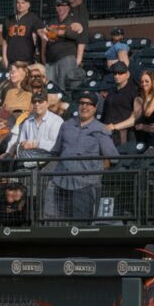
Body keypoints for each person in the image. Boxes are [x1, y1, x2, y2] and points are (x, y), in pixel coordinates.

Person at [44, 92, 118, 220]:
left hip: (85, 184)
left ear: (95, 108)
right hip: (60, 181)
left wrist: (97, 169)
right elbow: (56, 151)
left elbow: (113, 158)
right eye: (82, 103)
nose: (84, 107)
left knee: (81, 225)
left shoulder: (100, 129)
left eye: (89, 104)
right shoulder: (66, 125)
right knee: (54, 222)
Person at [40, 0, 87, 92]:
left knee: (65, 88)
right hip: (51, 60)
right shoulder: (51, 22)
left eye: (64, 5)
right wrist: (43, 56)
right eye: (58, 5)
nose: (61, 7)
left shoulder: (74, 21)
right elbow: (44, 40)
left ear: (69, 7)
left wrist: (78, 60)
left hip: (67, 58)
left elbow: (80, 40)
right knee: (50, 89)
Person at [6, 91, 64, 163]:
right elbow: (21, 142)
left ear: (47, 104)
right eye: (34, 102)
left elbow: (56, 146)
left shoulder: (56, 121)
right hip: (28, 159)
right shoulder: (27, 122)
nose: (37, 104)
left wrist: (36, 144)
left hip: (49, 160)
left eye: (40, 101)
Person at [101, 62, 139, 145]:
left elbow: (135, 118)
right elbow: (104, 115)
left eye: (120, 73)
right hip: (106, 133)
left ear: (127, 74)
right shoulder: (110, 92)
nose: (117, 76)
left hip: (124, 135)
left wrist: (115, 127)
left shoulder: (134, 92)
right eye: (115, 73)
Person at [2, 0, 43, 68]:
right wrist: (5, 58)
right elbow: (5, 41)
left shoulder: (34, 18)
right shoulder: (8, 19)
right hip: (11, 62)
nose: (20, 5)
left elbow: (42, 38)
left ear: (28, 5)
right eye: (18, 2)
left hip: (27, 62)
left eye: (23, 3)